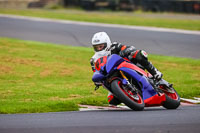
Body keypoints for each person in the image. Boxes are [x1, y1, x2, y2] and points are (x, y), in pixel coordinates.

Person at [90, 32, 162, 106]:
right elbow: (96, 71)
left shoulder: (114, 46)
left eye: (101, 46)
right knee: (112, 100)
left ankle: (155, 72)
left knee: (139, 54)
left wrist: (127, 51)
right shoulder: (94, 59)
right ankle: (131, 96)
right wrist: (97, 81)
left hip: (129, 66)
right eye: (96, 47)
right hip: (112, 77)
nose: (99, 49)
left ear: (107, 43)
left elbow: (129, 48)